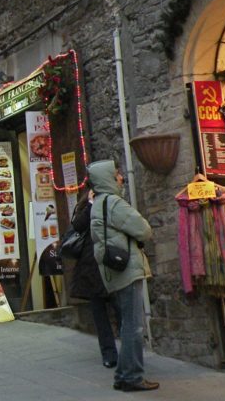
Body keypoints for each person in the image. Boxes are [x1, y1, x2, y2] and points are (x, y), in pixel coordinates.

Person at [88, 159, 158, 393]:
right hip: (126, 269)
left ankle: (123, 374)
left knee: (129, 323)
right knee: (133, 326)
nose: (121, 178)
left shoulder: (98, 202)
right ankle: (131, 376)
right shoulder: (114, 203)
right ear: (108, 178)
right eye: (117, 174)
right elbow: (144, 230)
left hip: (113, 270)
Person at [70, 189, 119, 368]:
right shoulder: (85, 205)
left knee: (120, 309)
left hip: (111, 262)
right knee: (100, 313)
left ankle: (128, 350)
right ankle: (109, 353)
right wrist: (90, 204)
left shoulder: (113, 201)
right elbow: (77, 225)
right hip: (91, 267)